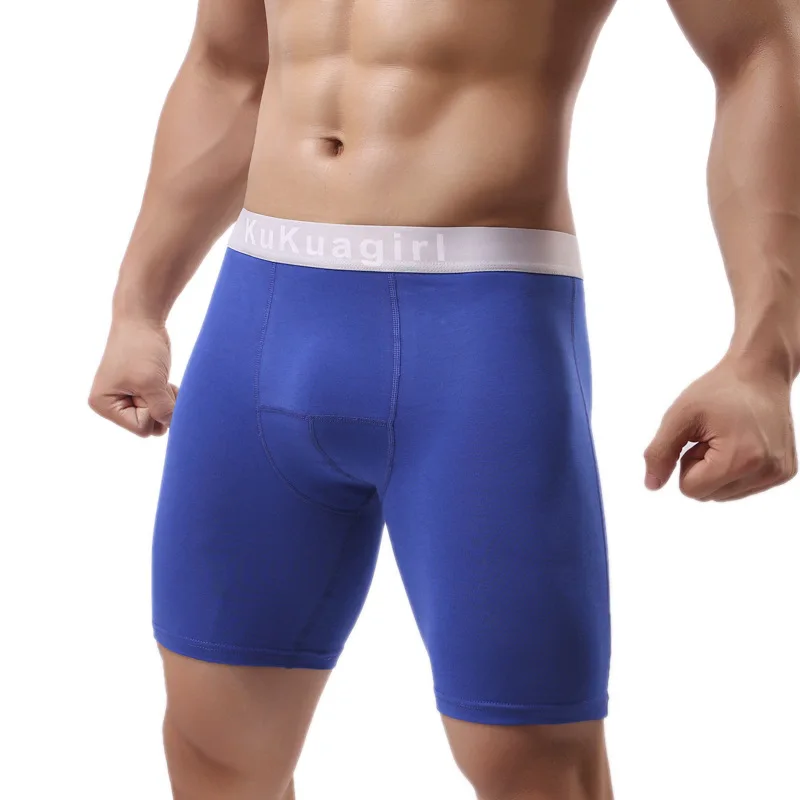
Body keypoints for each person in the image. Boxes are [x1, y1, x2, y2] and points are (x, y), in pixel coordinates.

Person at [88, 0, 800, 797]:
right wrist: (138, 306)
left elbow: (761, 53)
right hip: (259, 321)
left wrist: (762, 358)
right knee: (214, 751)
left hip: (479, 336)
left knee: (533, 762)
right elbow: (227, 67)